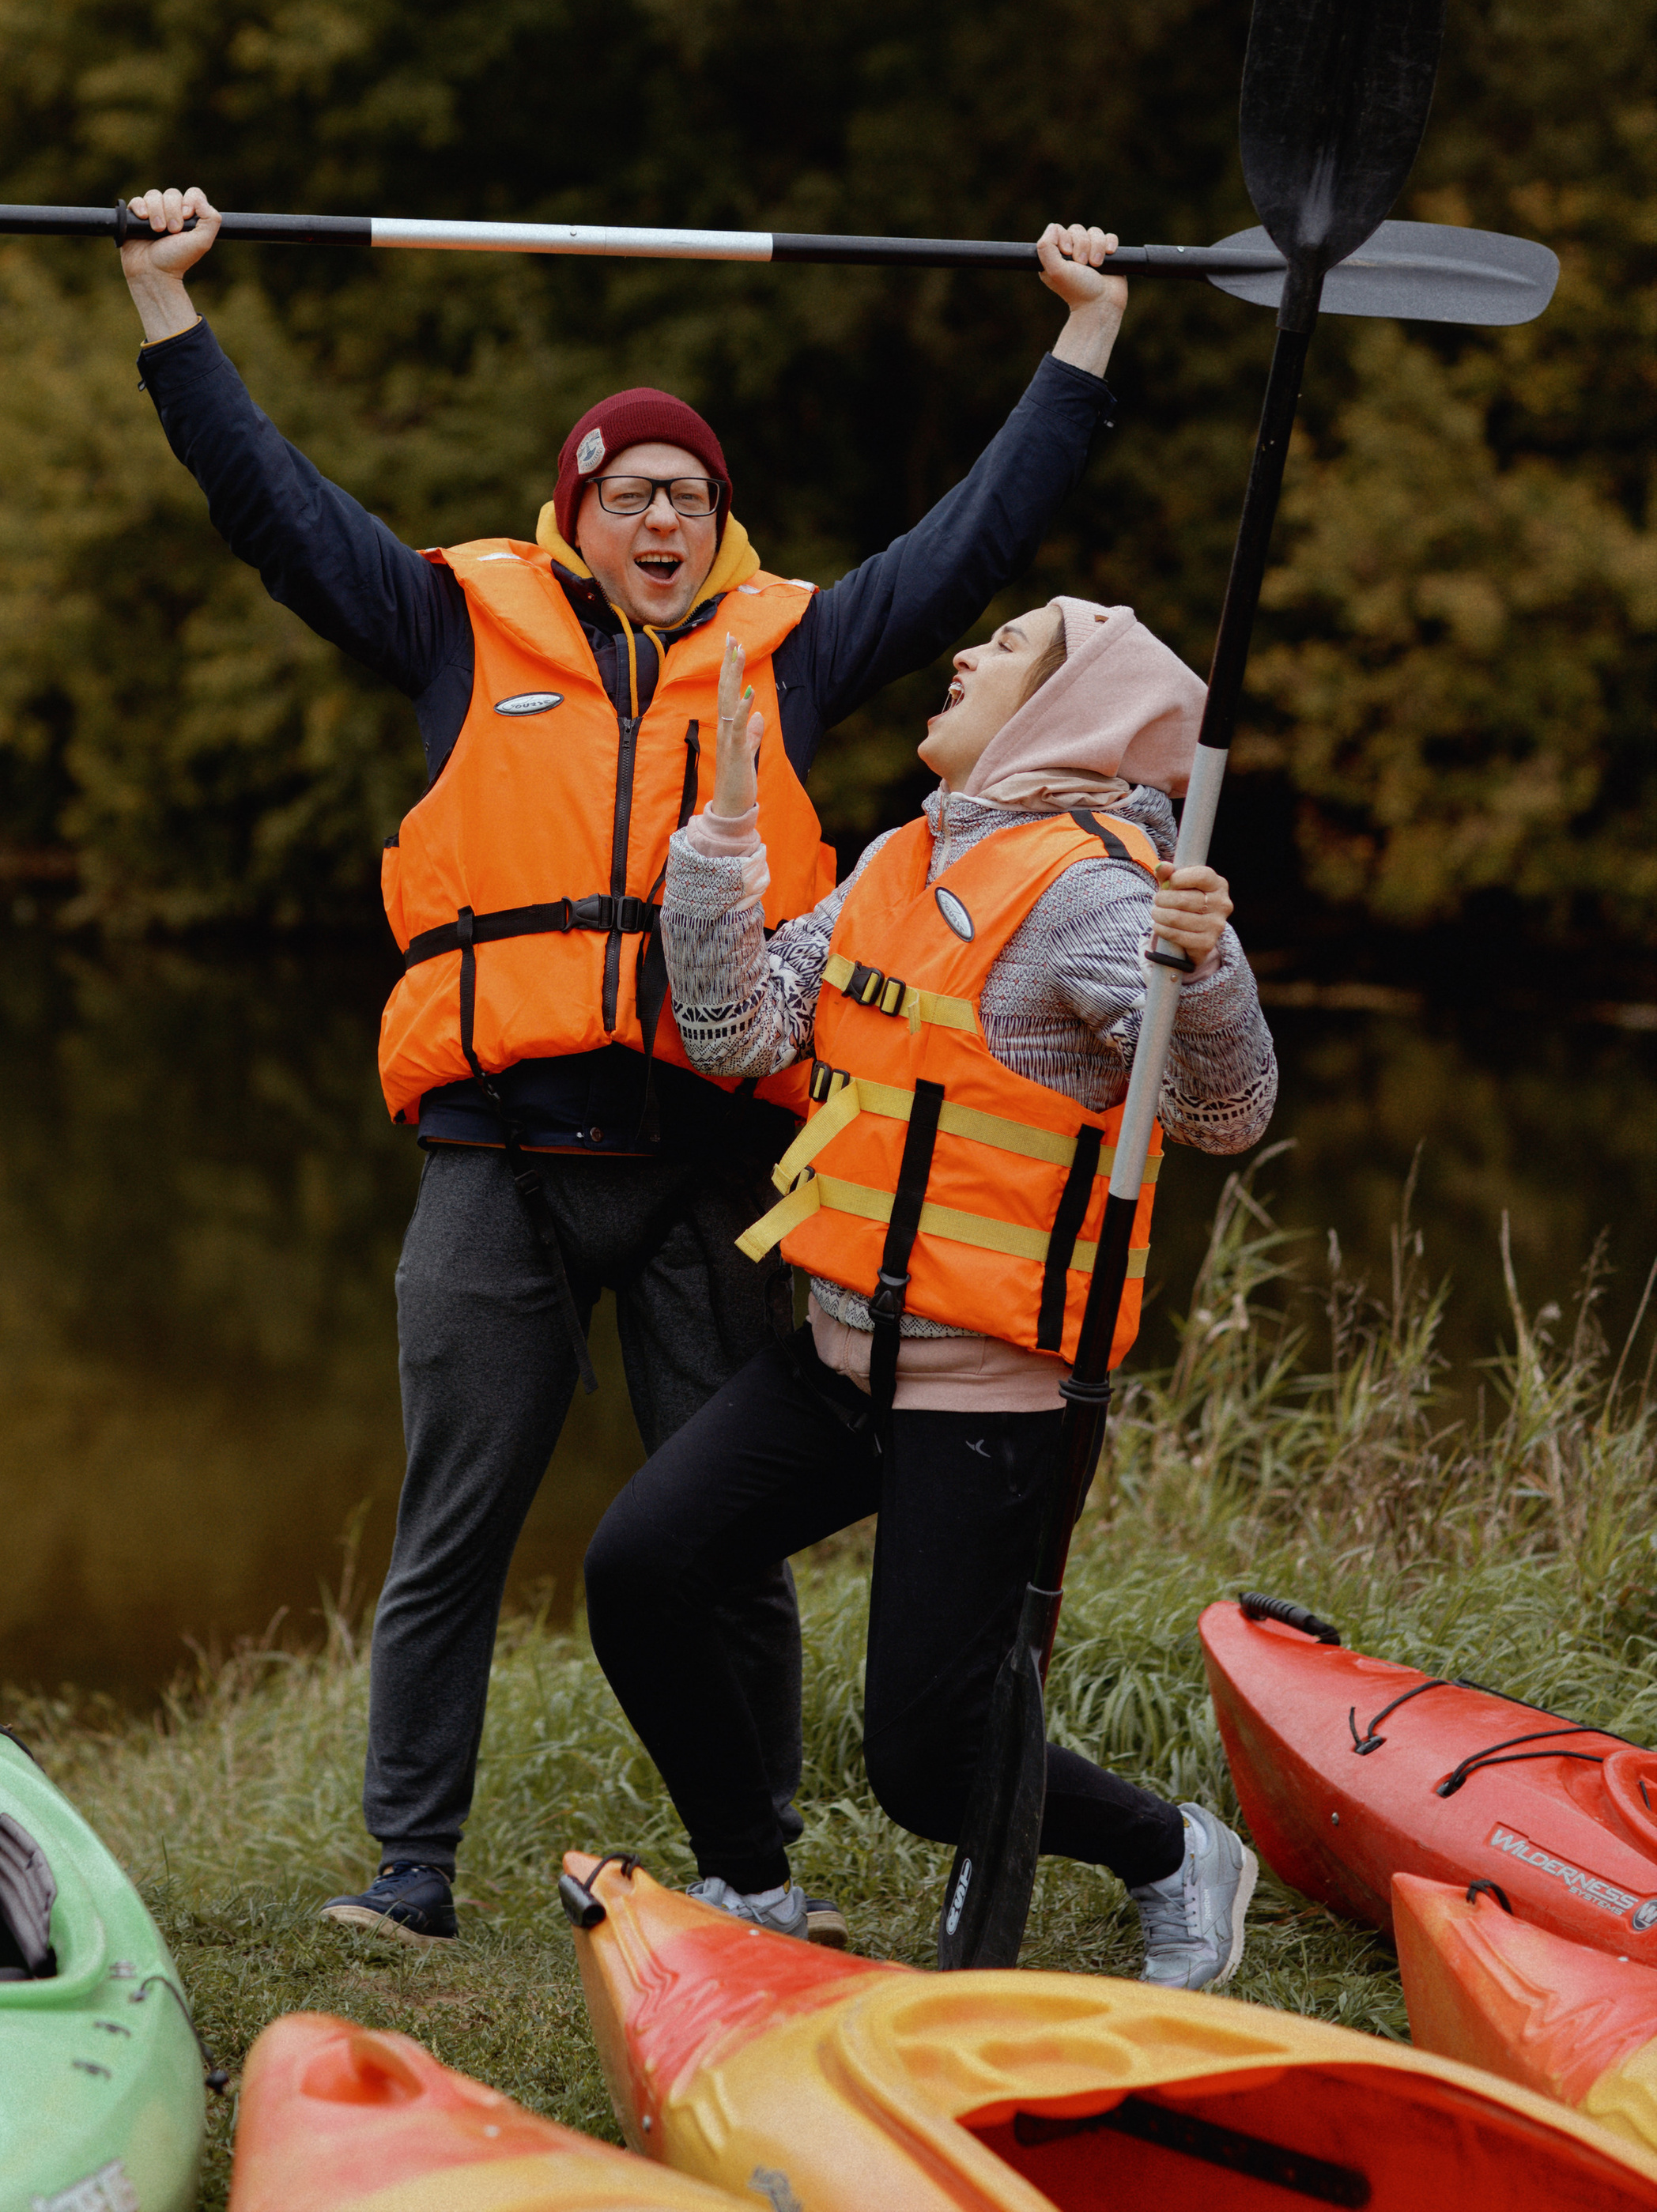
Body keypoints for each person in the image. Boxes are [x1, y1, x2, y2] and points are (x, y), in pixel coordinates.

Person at [119, 189, 1134, 1950]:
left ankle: (763, 1864)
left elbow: (973, 540)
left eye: (689, 497)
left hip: (708, 1166)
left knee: (721, 1541)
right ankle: (410, 1872)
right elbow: (272, 507)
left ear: (720, 526)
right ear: (572, 513)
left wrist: (1085, 336)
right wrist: (165, 306)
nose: (661, 519)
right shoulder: (454, 623)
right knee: (452, 1525)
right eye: (628, 493)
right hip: (499, 1161)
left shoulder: (795, 650)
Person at [582, 591, 1278, 1984]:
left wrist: (1207, 971)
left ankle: (1172, 1849)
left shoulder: (1098, 892)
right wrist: (721, 842)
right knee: (643, 1568)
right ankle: (754, 1884)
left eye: (1008, 646)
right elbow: (735, 1032)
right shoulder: (901, 858)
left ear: (1068, 710)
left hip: (990, 1388)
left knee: (926, 1765)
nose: (964, 654)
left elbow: (1226, 1110)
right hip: (839, 1354)